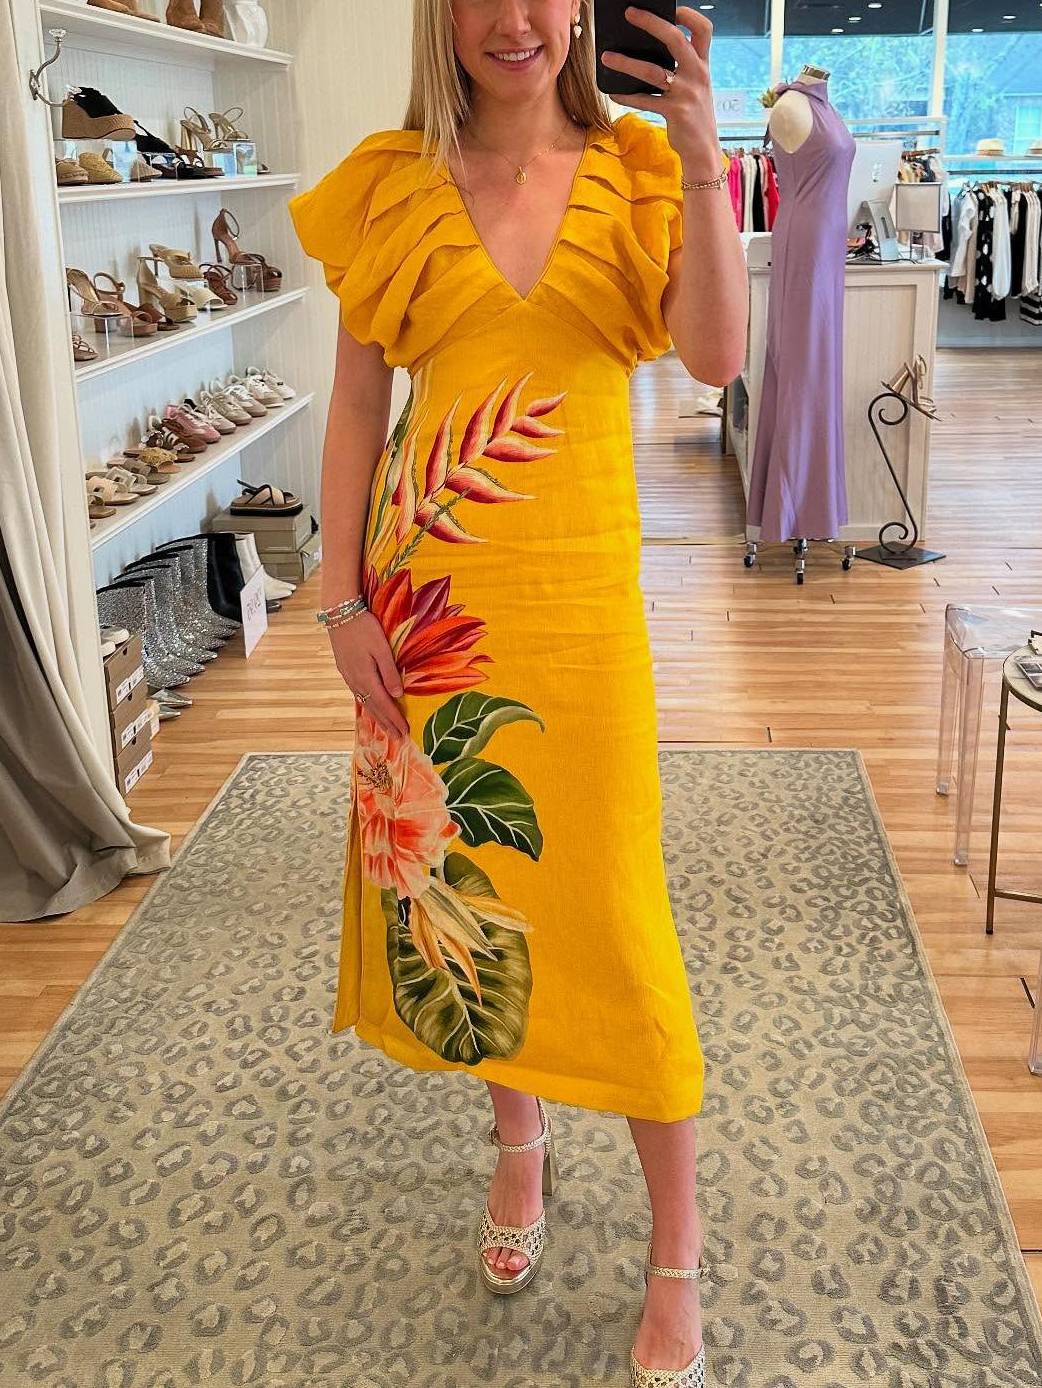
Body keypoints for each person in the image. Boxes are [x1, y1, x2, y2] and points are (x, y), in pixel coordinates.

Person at [289, 2, 747, 1382]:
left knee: (614, 910)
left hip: (584, 611)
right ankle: (519, 1139)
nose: (513, 20)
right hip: (435, 609)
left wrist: (703, 153)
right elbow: (358, 404)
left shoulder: (640, 172)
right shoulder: (394, 185)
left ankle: (678, 1247)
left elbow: (716, 358)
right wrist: (338, 601)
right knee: (480, 884)